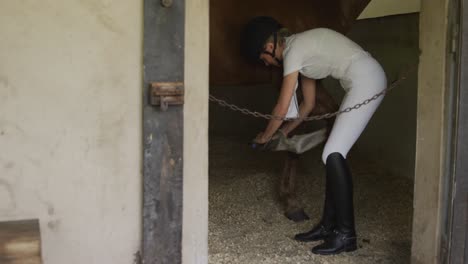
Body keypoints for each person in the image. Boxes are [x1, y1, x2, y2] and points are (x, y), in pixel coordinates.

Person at [241, 16, 387, 255]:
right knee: (331, 153)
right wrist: (283, 133)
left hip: (367, 80)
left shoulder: (294, 50)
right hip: (363, 80)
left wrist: (265, 136)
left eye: (263, 58)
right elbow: (307, 106)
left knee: (333, 152)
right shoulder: (303, 52)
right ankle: (328, 226)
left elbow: (282, 105)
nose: (266, 63)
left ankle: (345, 235)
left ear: (269, 47)